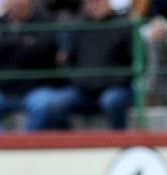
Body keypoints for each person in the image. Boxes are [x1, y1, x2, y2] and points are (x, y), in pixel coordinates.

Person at [0, 0, 67, 131]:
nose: (16, 4)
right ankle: (5, 146)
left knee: (44, 105)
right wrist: (22, 40)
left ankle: (27, 146)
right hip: (4, 91)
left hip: (36, 89)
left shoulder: (46, 20)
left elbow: (40, 50)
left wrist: (5, 42)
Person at [44, 0, 137, 129]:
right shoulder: (79, 29)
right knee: (55, 103)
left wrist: (112, 80)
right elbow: (68, 61)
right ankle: (69, 143)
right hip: (84, 90)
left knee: (111, 101)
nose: (93, 6)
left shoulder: (124, 26)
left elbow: (134, 63)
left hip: (116, 88)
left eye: (97, 2)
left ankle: (119, 141)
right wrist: (79, 80)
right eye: (89, 2)